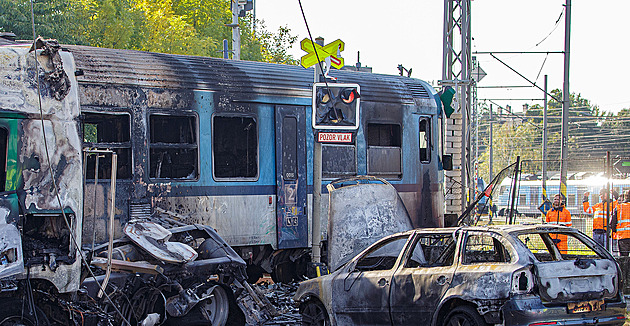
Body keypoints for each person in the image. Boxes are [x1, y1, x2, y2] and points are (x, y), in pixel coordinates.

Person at [612, 191, 630, 256]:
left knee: (623, 258)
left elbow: (612, 223)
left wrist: (615, 231)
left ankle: (624, 266)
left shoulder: (619, 207)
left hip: (623, 236)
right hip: (623, 236)